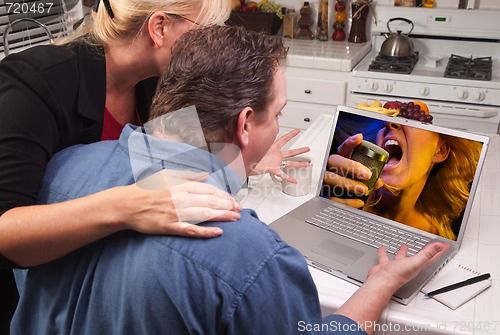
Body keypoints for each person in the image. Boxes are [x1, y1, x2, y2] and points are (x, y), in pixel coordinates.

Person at [12, 25, 449, 335]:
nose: (278, 124)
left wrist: (241, 163)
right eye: (277, 114)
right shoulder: (251, 257)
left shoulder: (62, 169)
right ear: (244, 124)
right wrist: (382, 283)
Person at [0, 0, 307, 332]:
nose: (213, 42)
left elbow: (187, 152)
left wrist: (245, 157)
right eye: (206, 30)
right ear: (159, 27)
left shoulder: (157, 83)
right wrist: (129, 204)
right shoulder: (36, 84)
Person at [324, 115, 482, 240]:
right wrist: (326, 207)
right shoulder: (344, 199)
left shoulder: (436, 238)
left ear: (440, 151)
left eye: (414, 121)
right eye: (384, 122)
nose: (389, 123)